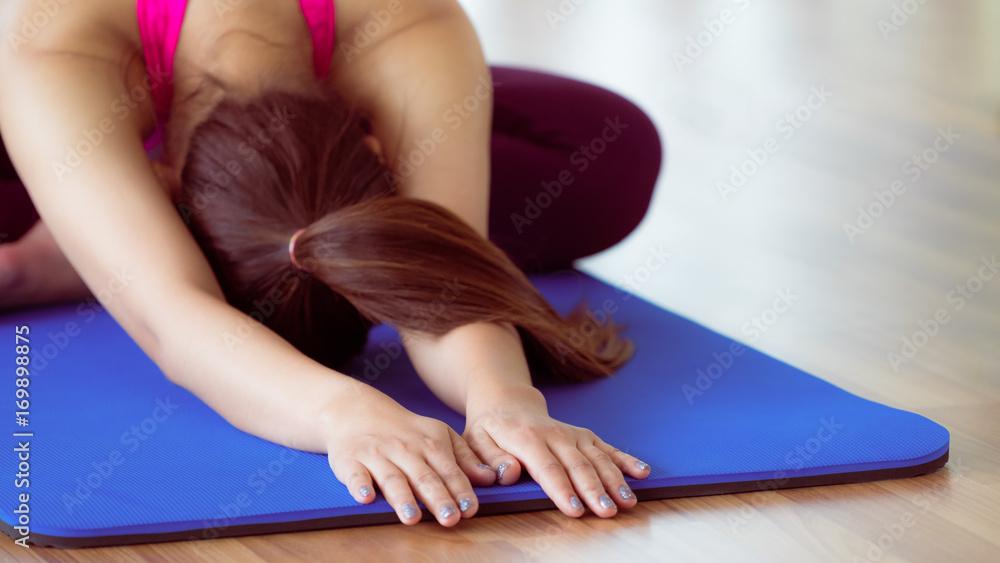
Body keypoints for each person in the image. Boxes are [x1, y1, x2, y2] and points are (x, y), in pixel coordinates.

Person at [0, 0, 662, 527]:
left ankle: (95, 237)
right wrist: (340, 411)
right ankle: (89, 235)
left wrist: (504, 399)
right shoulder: (50, 37)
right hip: (82, 91)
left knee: (611, 149)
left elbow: (437, 268)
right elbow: (173, 318)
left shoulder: (406, 18)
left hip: (197, 103)